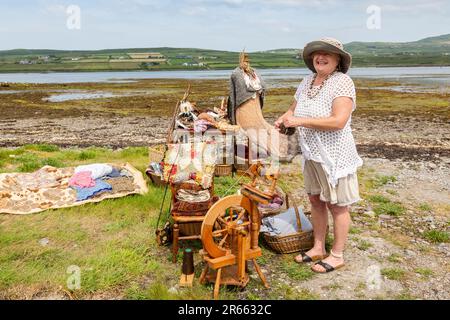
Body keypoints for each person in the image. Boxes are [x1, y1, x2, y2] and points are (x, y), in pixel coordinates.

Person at [275, 38, 363, 273]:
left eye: (327, 54)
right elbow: (293, 110)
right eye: (316, 53)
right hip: (311, 153)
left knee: (338, 206)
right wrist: (284, 119)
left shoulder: (343, 82)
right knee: (316, 200)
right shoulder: (306, 81)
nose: (320, 57)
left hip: (335, 156)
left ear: (338, 60)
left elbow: (338, 121)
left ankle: (337, 254)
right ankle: (318, 247)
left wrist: (299, 121)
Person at [228, 52, 290, 162]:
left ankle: (278, 152)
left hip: (255, 107)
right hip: (243, 110)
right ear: (241, 61)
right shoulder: (236, 74)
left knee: (266, 129)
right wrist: (232, 118)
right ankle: (274, 153)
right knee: (253, 131)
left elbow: (262, 89)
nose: (246, 63)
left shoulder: (255, 73)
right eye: (244, 60)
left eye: (247, 60)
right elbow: (233, 96)